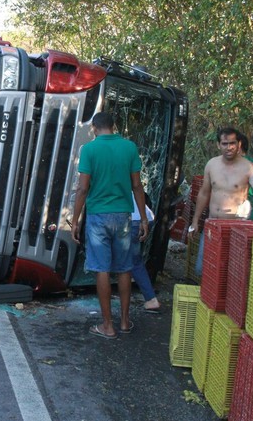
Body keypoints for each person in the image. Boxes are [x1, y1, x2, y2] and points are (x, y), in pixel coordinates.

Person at [71, 112, 149, 339]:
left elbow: (83, 188)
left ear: (94, 128)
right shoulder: (129, 147)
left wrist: (75, 221)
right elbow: (137, 186)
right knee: (124, 268)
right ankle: (125, 321)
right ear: (113, 126)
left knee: (101, 268)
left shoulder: (89, 150)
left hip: (97, 217)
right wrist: (143, 218)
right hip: (123, 216)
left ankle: (108, 325)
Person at [188, 127, 253, 275]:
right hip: (212, 224)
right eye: (225, 143)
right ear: (218, 145)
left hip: (237, 229)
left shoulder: (250, 168)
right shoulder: (211, 165)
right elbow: (204, 193)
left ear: (239, 144)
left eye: (232, 143)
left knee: (231, 273)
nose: (229, 147)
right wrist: (195, 221)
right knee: (203, 270)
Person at [129, 193, 160, 313]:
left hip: (133, 221)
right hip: (146, 218)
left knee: (131, 263)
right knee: (133, 261)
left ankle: (151, 299)